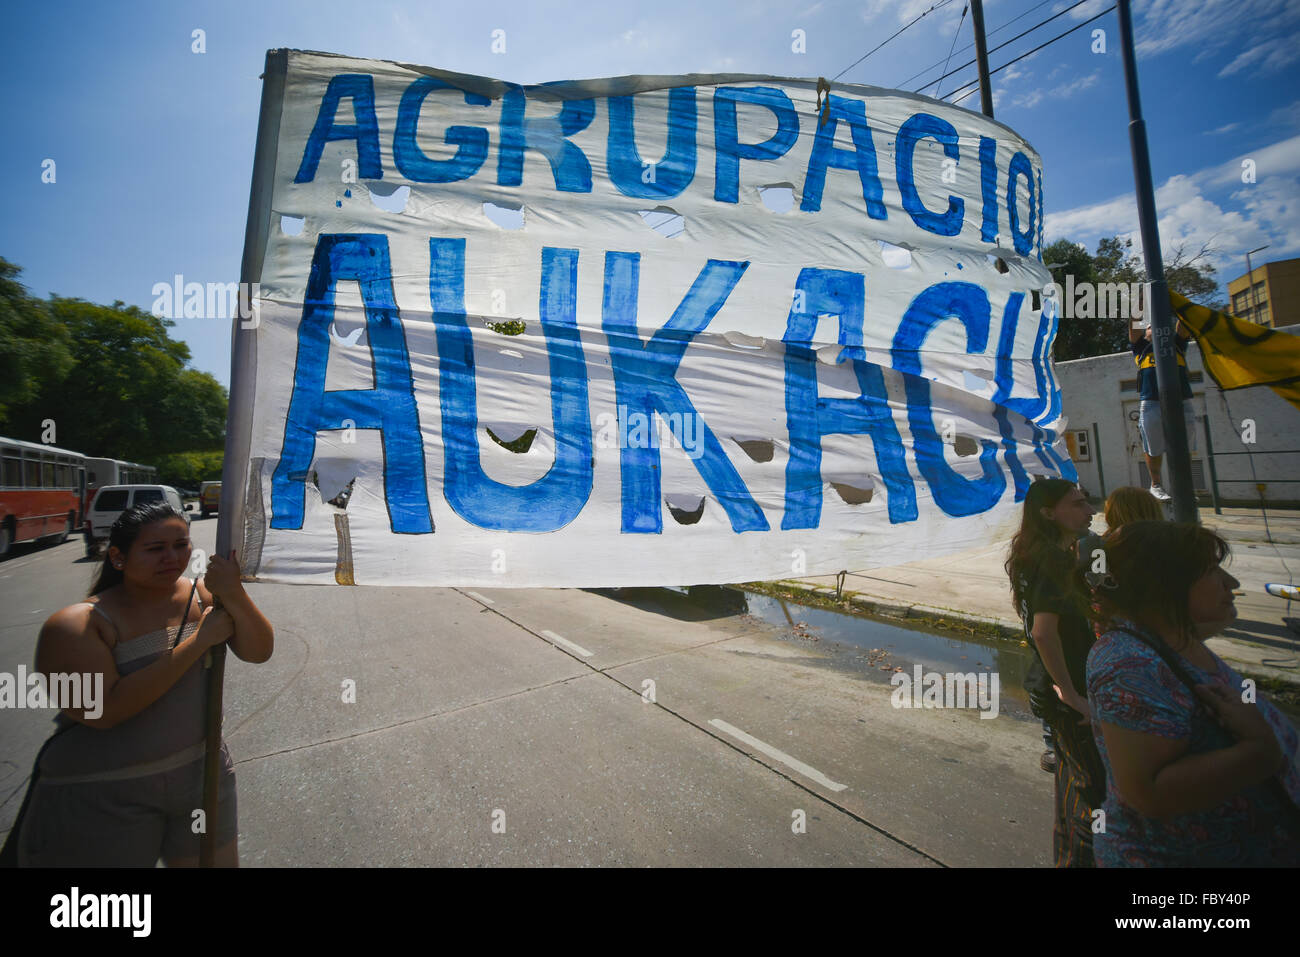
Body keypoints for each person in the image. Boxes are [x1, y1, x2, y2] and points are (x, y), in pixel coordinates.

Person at [15, 502, 273, 867]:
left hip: (202, 775)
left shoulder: (203, 597)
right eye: (155, 549)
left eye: (181, 545)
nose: (172, 557)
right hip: (102, 793)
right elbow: (101, 711)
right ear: (118, 557)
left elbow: (258, 651)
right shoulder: (75, 625)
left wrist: (234, 593)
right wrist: (198, 642)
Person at [1087, 521, 1299, 866]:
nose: (1232, 584)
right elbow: (1149, 792)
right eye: (1213, 573)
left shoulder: (1174, 638)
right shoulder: (1128, 665)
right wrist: (1260, 750)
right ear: (1167, 587)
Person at [1005, 477, 1106, 866]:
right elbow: (1044, 633)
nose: (1090, 510)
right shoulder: (1052, 561)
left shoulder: (1037, 552)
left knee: (1074, 791)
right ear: (1049, 513)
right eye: (1078, 504)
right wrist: (1072, 693)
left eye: (1086, 501)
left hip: (1052, 684)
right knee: (1093, 800)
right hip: (1068, 690)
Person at [1129, 318, 1197, 503]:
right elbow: (1134, 330)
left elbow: (1184, 326)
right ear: (1146, 334)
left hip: (1181, 400)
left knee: (1185, 444)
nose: (1156, 327)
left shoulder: (1177, 345)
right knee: (1153, 446)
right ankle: (1156, 485)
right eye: (1150, 327)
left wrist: (1179, 306)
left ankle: (1184, 486)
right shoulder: (1141, 348)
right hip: (1151, 401)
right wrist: (1138, 306)